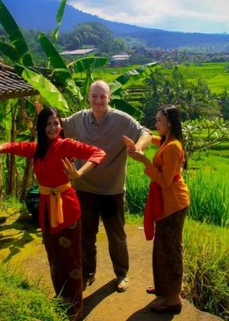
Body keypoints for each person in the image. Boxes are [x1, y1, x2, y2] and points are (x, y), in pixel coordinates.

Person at [0, 106, 105, 320]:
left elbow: (98, 152)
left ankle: (74, 310)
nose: (53, 127)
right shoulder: (37, 149)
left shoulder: (66, 145)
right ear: (41, 126)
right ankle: (61, 300)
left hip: (67, 209)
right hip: (47, 209)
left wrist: (79, 173)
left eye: (56, 123)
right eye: (48, 124)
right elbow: (15, 146)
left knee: (71, 261)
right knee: (55, 259)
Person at [61, 80, 152, 293]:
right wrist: (42, 115)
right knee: (86, 234)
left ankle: (121, 274)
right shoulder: (79, 119)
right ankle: (87, 273)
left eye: (103, 96)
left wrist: (137, 148)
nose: (98, 100)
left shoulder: (122, 120)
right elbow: (58, 125)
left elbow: (145, 133)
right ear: (89, 98)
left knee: (116, 235)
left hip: (112, 190)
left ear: (109, 97)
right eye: (95, 96)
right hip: (83, 187)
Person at [126, 104, 190, 313]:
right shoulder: (167, 141)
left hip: (173, 204)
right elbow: (155, 140)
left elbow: (165, 181)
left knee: (171, 250)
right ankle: (164, 287)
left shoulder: (173, 147)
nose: (156, 124)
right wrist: (142, 139)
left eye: (159, 120)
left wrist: (143, 159)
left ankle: (173, 299)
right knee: (162, 247)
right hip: (166, 203)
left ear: (169, 123)